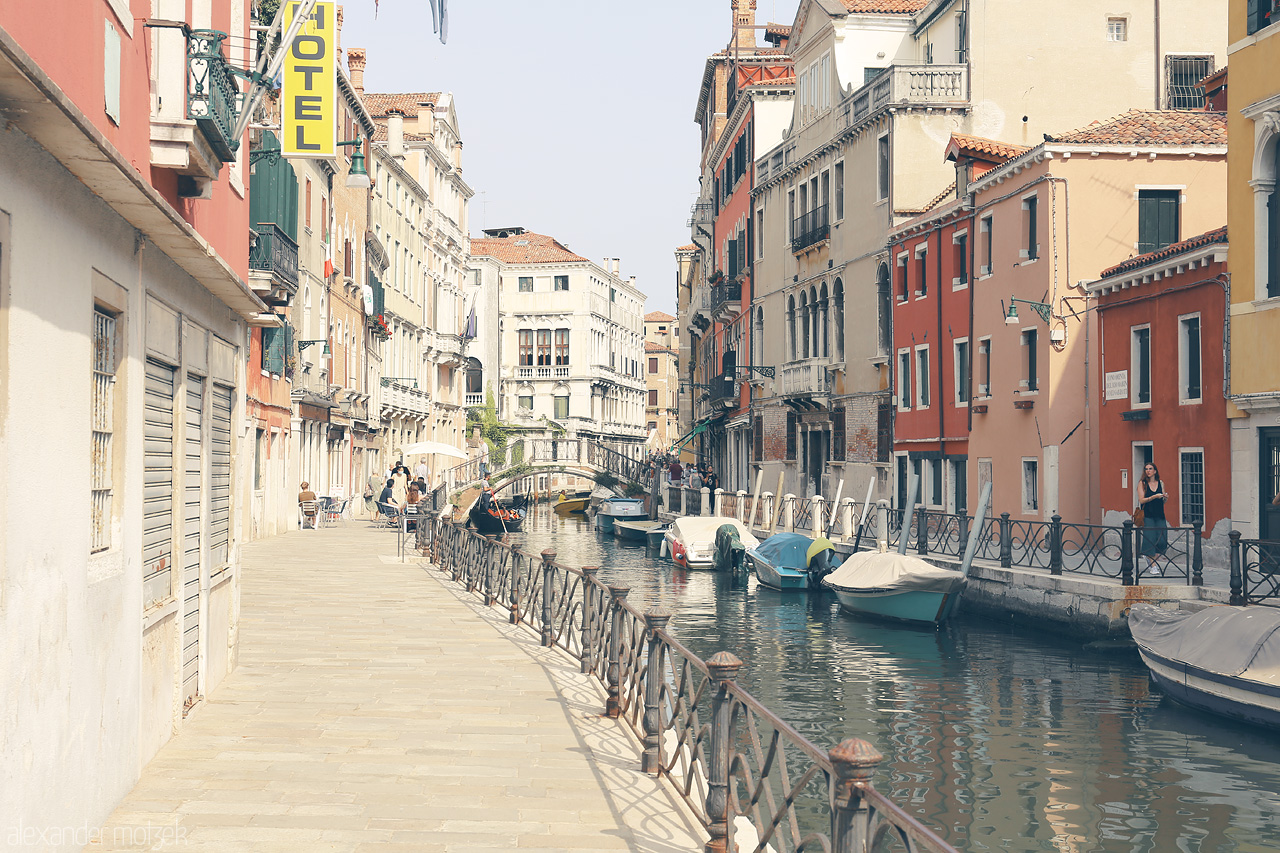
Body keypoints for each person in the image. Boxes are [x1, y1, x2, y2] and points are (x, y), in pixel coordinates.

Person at [1138, 462, 1170, 573]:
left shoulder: (1160, 483)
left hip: (1160, 515)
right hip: (1148, 515)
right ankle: (1153, 565)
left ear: (1155, 471)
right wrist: (1153, 496)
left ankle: (1150, 559)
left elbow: (1163, 501)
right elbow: (1141, 500)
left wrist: (1165, 498)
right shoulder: (1142, 484)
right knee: (1150, 539)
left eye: (1150, 469)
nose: (1148, 471)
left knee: (1162, 540)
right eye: (1146, 469)